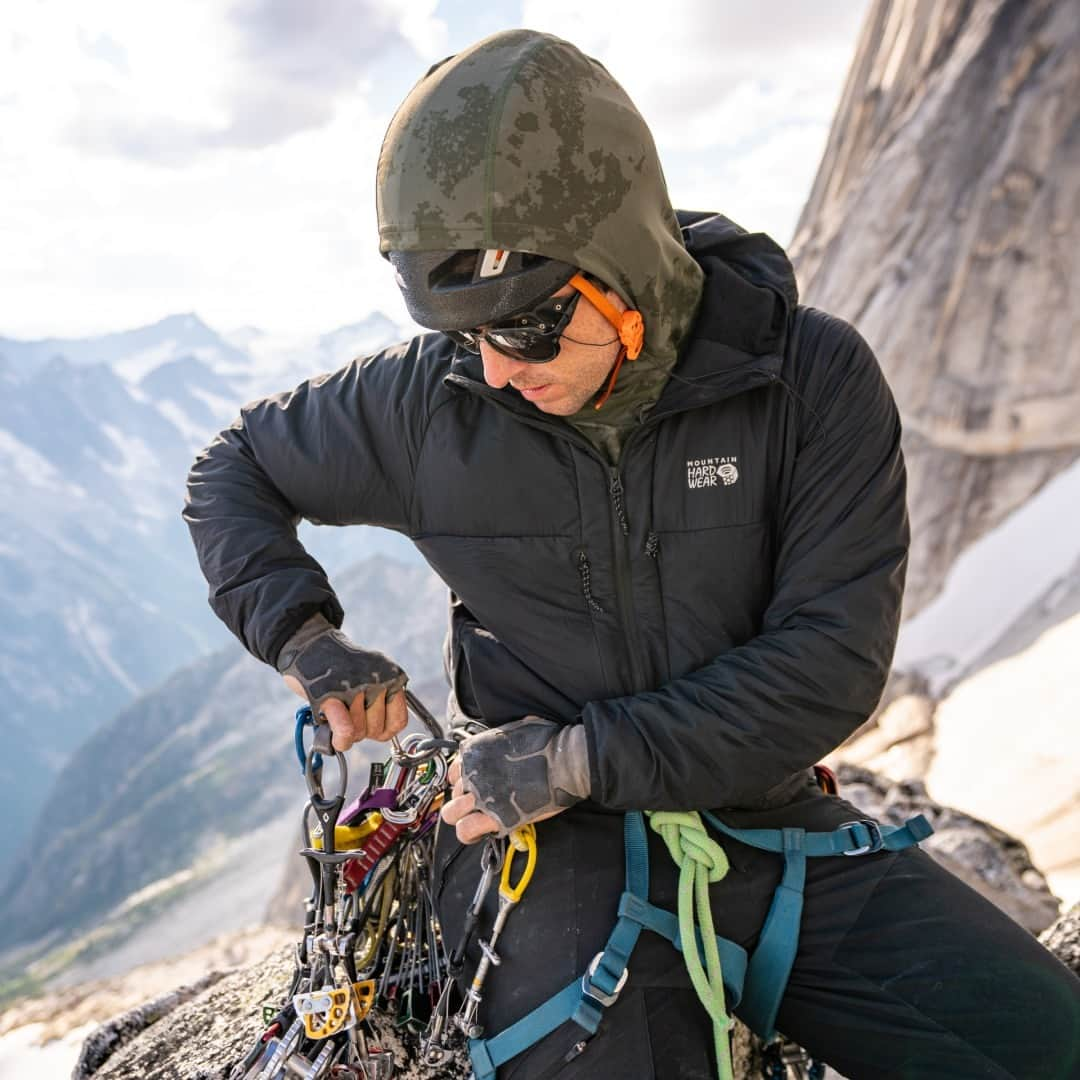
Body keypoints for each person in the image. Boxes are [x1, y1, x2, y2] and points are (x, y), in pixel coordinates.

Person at [184, 28, 1080, 1080]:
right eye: (469, 334)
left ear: (622, 268)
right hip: (547, 856)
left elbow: (830, 663)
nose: (498, 369)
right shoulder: (434, 402)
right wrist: (306, 637)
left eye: (526, 328)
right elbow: (234, 468)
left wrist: (574, 760)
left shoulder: (807, 381)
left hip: (766, 822)